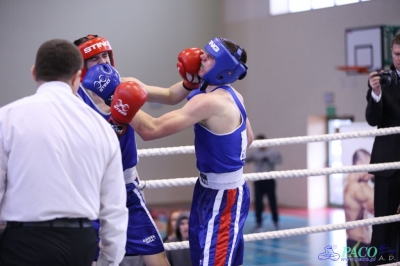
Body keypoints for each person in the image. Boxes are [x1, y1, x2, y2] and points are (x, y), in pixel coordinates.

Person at [73, 34, 202, 266]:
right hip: (88, 190)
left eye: (105, 55)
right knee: (88, 258)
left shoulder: (125, 85)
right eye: (94, 58)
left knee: (155, 255)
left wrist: (190, 82)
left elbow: (170, 97)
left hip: (126, 190)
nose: (103, 62)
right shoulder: (73, 98)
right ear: (81, 66)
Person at [0, 39, 128, 266]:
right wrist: (109, 262)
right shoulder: (101, 127)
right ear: (78, 76)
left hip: (23, 241)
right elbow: (115, 207)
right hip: (80, 243)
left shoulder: (7, 118)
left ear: (33, 73)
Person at [132, 37, 254, 266]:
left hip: (222, 196)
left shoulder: (210, 103)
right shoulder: (233, 95)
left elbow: (151, 129)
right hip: (214, 190)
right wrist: (121, 83)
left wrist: (118, 100)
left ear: (223, 68)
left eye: (210, 56)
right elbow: (248, 139)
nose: (202, 56)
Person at [365, 32, 400, 265]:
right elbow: (372, 119)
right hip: (388, 164)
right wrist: (376, 94)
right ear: (391, 52)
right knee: (383, 225)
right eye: (397, 54)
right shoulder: (381, 79)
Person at [343, 149, 374, 266]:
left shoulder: (350, 183)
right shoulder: (357, 189)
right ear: (359, 165)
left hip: (359, 245)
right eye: (369, 166)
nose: (371, 171)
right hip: (358, 246)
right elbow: (379, 208)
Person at [245, 134, 282, 231]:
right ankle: (258, 223)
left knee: (272, 201)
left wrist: (268, 160)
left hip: (269, 179)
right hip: (258, 180)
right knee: (258, 202)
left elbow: (279, 161)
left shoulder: (272, 152)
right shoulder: (255, 153)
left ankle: (275, 222)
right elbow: (245, 160)